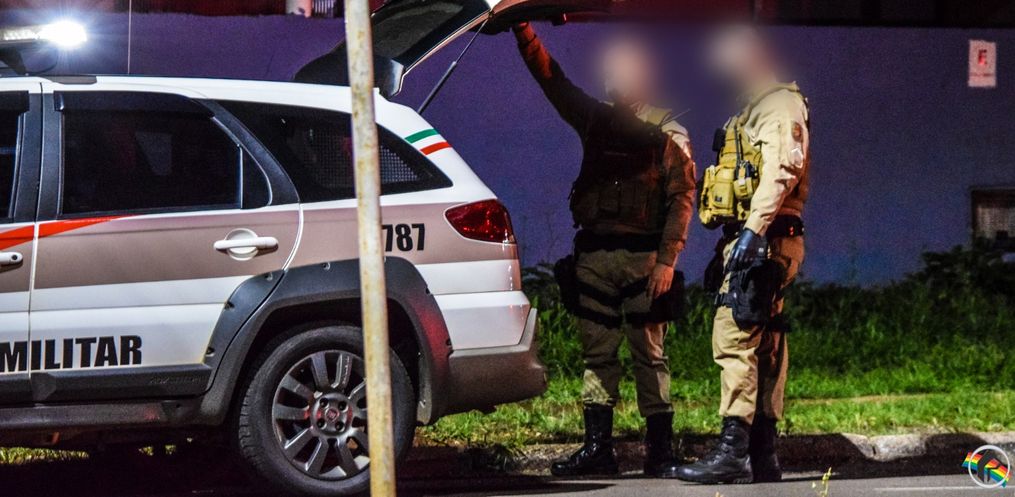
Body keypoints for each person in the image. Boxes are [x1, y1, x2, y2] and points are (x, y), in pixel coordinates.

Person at [511, 23, 696, 478]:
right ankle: (599, 449)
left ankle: (660, 451)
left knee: (649, 356)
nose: (614, 76)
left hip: (643, 262)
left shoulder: (667, 131)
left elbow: (681, 198)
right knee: (598, 355)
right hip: (594, 258)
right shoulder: (596, 119)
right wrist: (523, 31)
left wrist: (667, 261)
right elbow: (552, 79)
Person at [675, 25, 810, 485]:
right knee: (765, 341)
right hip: (760, 235)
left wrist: (752, 231)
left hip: (766, 235)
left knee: (735, 335)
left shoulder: (779, 105)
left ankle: (733, 453)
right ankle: (762, 455)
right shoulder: (752, 110)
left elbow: (782, 170)